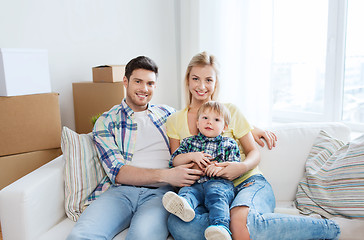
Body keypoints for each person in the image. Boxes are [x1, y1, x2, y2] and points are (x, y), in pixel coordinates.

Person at [166, 52, 345, 240]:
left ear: (216, 83)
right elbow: (177, 163)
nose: (201, 86)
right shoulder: (175, 120)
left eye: (208, 80)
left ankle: (332, 228)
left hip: (247, 182)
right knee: (178, 225)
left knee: (239, 222)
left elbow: (253, 152)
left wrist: (239, 167)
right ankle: (229, 227)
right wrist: (198, 163)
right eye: (195, 78)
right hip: (208, 191)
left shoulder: (229, 112)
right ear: (187, 80)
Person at [67, 56, 203, 240]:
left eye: (150, 83)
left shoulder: (168, 114)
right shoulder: (107, 121)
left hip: (160, 194)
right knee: (80, 236)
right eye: (138, 81)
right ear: (125, 81)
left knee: (142, 237)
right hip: (120, 191)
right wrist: (167, 175)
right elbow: (118, 172)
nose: (144, 89)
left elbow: (209, 121)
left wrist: (250, 130)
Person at [163, 101, 240, 240]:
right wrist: (191, 155)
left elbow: (234, 166)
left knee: (217, 197)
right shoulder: (189, 142)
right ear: (197, 123)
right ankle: (185, 208)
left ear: (225, 127)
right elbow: (174, 161)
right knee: (187, 192)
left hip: (219, 184)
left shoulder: (228, 144)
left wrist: (218, 168)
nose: (209, 122)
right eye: (205, 118)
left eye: (216, 119)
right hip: (195, 184)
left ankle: (221, 227)